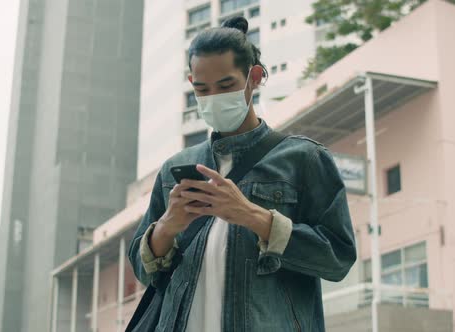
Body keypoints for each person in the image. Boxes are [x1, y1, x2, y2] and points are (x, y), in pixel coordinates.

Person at [128, 16, 356, 332]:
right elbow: (143, 272)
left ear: (256, 77)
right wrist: (168, 226)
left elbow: (338, 258)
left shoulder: (303, 159)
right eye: (201, 89)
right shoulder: (173, 169)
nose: (213, 98)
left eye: (226, 86)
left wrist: (252, 216)